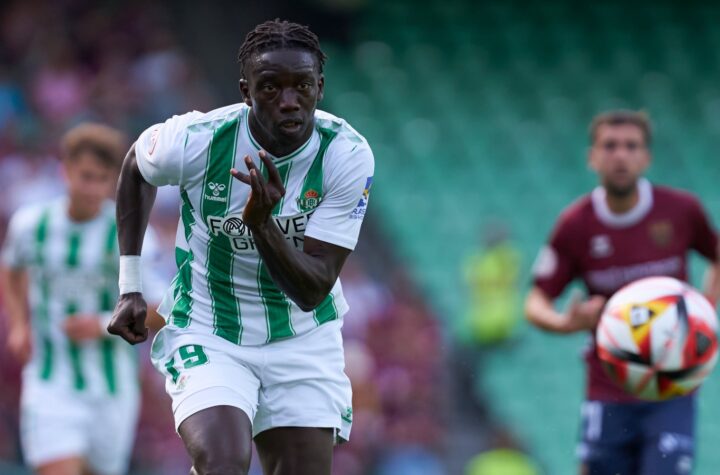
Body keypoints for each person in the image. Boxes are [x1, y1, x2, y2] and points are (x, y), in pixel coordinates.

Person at [108, 19, 374, 475]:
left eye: (302, 87)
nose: (289, 102)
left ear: (320, 87)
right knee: (223, 462)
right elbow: (136, 165)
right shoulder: (197, 140)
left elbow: (312, 289)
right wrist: (130, 285)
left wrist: (263, 225)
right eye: (270, 88)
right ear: (245, 90)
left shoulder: (345, 155)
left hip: (302, 337)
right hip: (210, 327)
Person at [525, 110, 720, 475]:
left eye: (631, 146)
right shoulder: (575, 224)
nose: (620, 155)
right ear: (592, 157)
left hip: (670, 385)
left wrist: (705, 311)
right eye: (610, 146)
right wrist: (566, 323)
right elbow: (535, 302)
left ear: (646, 157)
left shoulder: (681, 210)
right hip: (608, 384)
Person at [0, 123, 166, 475]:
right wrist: (19, 324)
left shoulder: (131, 235)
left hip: (111, 390)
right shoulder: (32, 225)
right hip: (49, 380)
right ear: (65, 170)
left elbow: (161, 313)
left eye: (103, 179)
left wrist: (106, 324)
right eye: (85, 177)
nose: (93, 188)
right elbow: (10, 269)